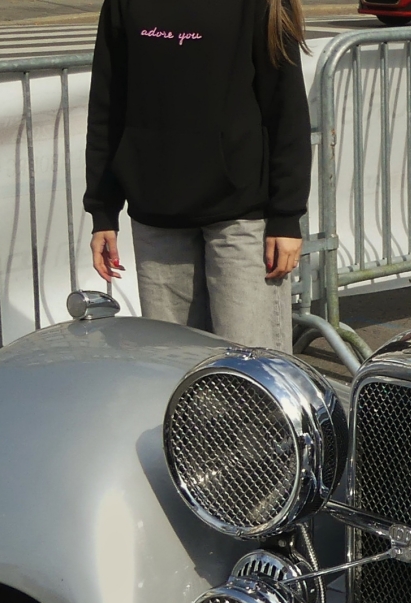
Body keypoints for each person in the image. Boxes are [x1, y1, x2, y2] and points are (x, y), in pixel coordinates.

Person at [83, 0, 311, 352]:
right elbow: (108, 102)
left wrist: (286, 216)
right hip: (156, 214)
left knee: (251, 370)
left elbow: (286, 109)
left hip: (241, 216)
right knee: (174, 369)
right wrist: (102, 209)